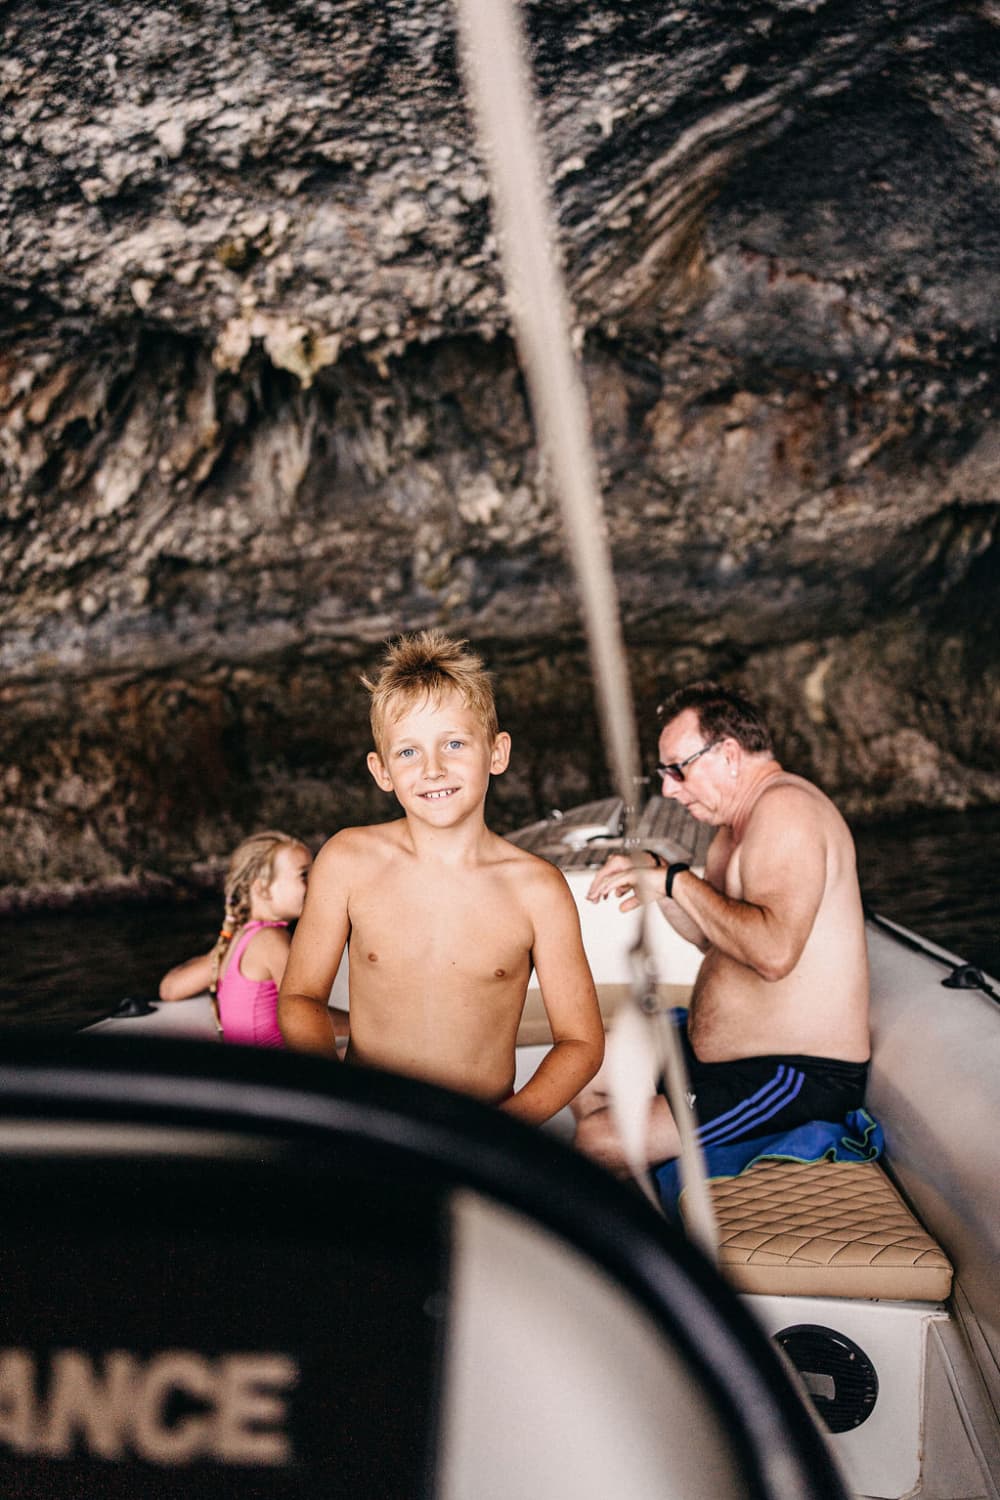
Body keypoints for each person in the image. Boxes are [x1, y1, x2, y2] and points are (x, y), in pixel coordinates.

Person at [278, 630, 604, 1123]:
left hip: (481, 1130)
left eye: (453, 743)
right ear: (381, 770)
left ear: (497, 753)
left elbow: (580, 1041)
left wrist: (505, 1130)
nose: (432, 769)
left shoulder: (537, 890)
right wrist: (337, 1099)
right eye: (408, 752)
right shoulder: (348, 860)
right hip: (368, 1122)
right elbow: (301, 996)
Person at [574, 681, 870, 1172]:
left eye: (678, 769)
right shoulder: (734, 829)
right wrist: (660, 884)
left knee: (597, 1140)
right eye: (664, 773)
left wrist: (676, 881)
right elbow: (714, 938)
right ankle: (640, 1181)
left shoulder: (787, 810)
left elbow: (773, 954)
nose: (668, 789)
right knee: (582, 1067)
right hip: (723, 1057)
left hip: (791, 1075)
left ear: (729, 754)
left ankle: (629, 1183)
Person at [159, 830, 337, 1049]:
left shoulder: (237, 941)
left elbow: (169, 989)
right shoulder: (271, 940)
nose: (316, 882)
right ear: (262, 889)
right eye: (304, 875)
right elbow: (309, 1016)